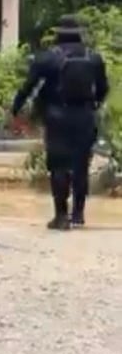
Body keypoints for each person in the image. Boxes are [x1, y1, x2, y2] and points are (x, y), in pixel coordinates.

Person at [10, 15, 110, 229]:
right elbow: (103, 88)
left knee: (58, 166)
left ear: (57, 34)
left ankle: (61, 216)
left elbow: (28, 87)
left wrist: (16, 109)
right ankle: (79, 214)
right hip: (84, 115)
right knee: (81, 165)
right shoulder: (94, 58)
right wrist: (93, 105)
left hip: (56, 116)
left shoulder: (47, 58)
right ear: (80, 34)